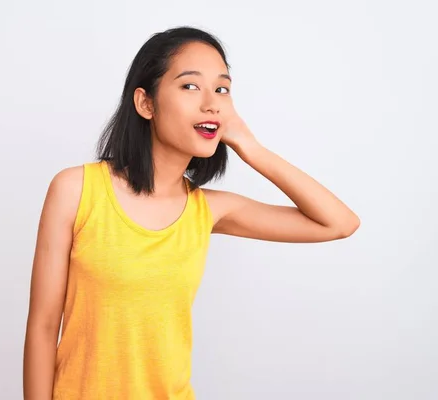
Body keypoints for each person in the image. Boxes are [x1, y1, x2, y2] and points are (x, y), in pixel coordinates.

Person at [22, 26, 360, 400]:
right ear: (145, 103)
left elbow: (340, 223)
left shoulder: (210, 209)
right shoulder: (75, 190)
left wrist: (251, 147)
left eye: (222, 89)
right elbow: (43, 325)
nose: (212, 102)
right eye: (190, 86)